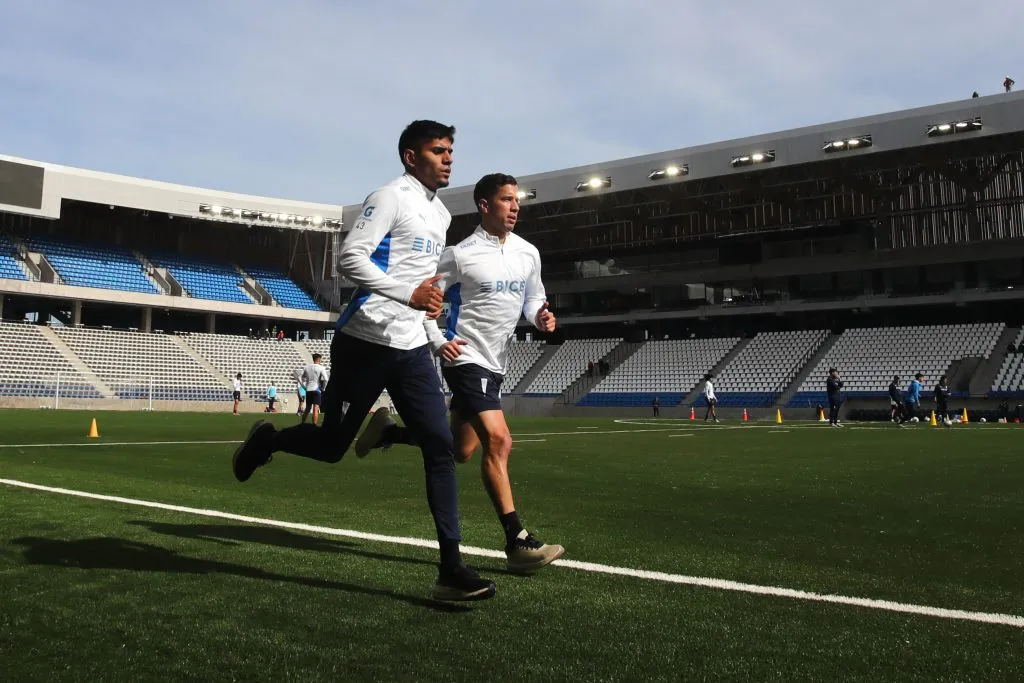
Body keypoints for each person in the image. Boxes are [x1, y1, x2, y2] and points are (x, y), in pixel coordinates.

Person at [231, 120, 495, 601]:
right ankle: (272, 439)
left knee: (440, 446)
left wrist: (433, 331)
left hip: (412, 348)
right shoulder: (389, 196)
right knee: (332, 447)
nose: (449, 158)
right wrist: (407, 296)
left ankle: (451, 571)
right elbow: (350, 259)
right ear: (411, 157)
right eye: (439, 150)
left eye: (451, 150)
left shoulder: (439, 217)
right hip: (364, 341)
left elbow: (425, 289)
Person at [360, 173, 564, 573]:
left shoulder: (528, 253)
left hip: (497, 361)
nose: (515, 206)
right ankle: (517, 541)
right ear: (485, 206)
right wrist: (437, 338)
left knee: (460, 450)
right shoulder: (459, 254)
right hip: (465, 357)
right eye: (506, 200)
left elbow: (533, 296)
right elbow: (426, 295)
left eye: (516, 200)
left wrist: (539, 317)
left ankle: (388, 432)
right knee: (500, 442)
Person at [299, 354, 329, 426]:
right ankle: (314, 425)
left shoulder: (307, 367)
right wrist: (323, 388)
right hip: (316, 389)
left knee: (307, 409)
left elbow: (300, 377)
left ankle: (302, 424)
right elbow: (326, 379)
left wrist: (303, 386)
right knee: (316, 409)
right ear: (319, 359)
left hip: (308, 389)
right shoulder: (321, 367)